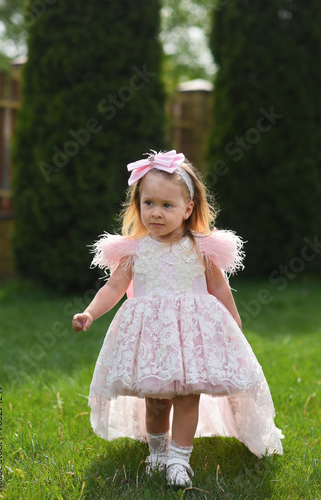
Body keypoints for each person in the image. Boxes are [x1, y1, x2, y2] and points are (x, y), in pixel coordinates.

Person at [72, 150, 283, 487]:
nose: (156, 212)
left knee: (188, 396)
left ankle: (179, 460)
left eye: (167, 205)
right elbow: (113, 289)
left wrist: (233, 328)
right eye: (149, 203)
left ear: (187, 210)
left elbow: (220, 288)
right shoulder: (134, 251)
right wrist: (90, 313)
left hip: (194, 339)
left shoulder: (202, 248)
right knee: (155, 401)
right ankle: (157, 453)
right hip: (153, 339)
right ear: (138, 204)